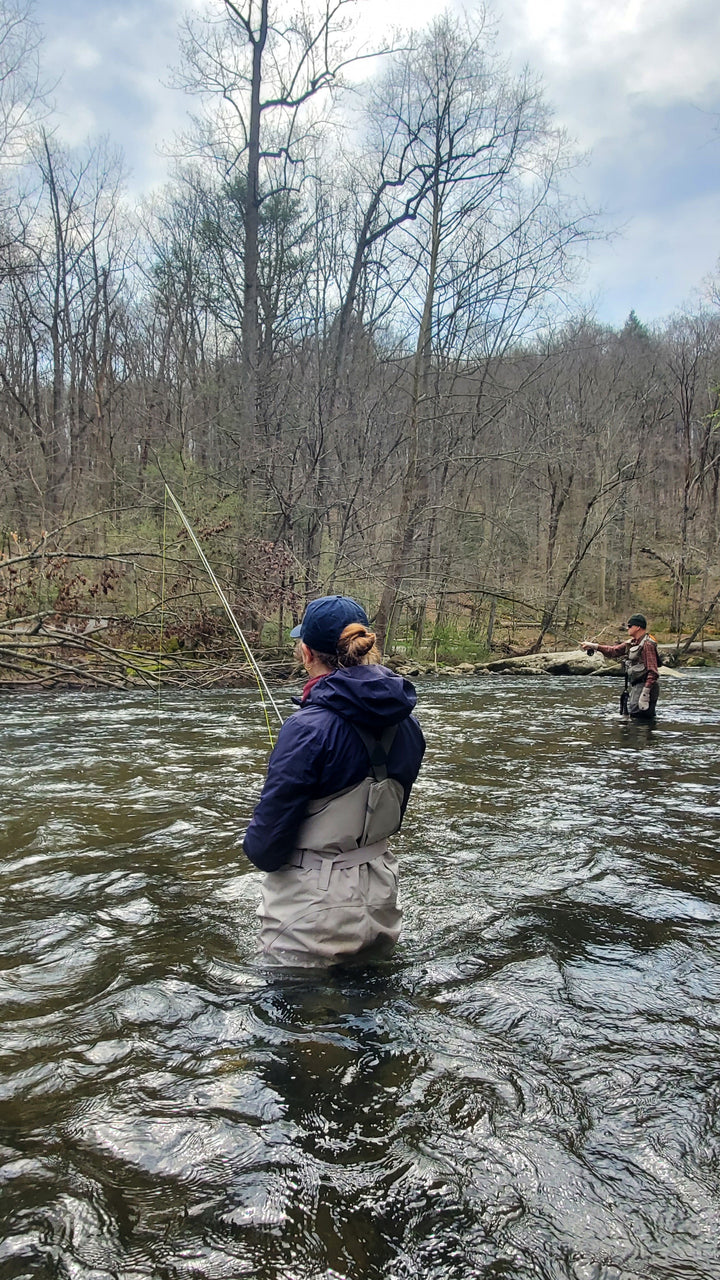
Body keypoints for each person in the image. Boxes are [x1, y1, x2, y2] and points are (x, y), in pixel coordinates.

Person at [242, 595, 426, 966]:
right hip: (381, 891)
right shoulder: (409, 724)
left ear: (307, 653)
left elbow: (265, 848)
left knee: (296, 1017)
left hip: (312, 908)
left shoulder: (306, 729)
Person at [580, 613, 660, 719]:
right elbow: (613, 651)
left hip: (646, 687)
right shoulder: (633, 643)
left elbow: (653, 672)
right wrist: (594, 646)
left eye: (630, 626)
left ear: (638, 627)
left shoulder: (647, 645)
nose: (627, 628)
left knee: (640, 719)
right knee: (637, 717)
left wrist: (645, 694)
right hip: (638, 686)